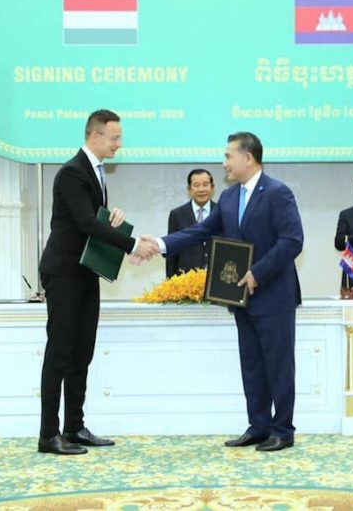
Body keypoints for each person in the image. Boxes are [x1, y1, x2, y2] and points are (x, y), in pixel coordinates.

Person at [138, 132, 304, 452]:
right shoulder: (229, 197)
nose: (224, 163)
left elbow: (292, 241)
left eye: (229, 156)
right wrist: (159, 244)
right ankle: (258, 426)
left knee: (278, 365)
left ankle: (282, 429)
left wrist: (259, 272)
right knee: (252, 364)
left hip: (274, 296)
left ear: (248, 158)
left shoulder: (278, 193)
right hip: (241, 298)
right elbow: (201, 230)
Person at [37, 109, 139, 456]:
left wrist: (112, 217)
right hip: (64, 272)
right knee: (60, 352)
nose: (119, 144)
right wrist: (132, 244)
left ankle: (75, 427)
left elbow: (93, 219)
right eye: (115, 138)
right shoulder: (71, 172)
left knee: (82, 352)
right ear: (95, 136)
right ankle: (48, 434)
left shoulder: (95, 173)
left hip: (84, 272)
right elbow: (84, 223)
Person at [165, 168, 216, 278]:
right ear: (189, 189)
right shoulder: (177, 215)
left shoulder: (222, 212)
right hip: (185, 280)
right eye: (196, 185)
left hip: (215, 279)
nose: (201, 189)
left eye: (206, 184)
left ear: (212, 188)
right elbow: (171, 253)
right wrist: (170, 281)